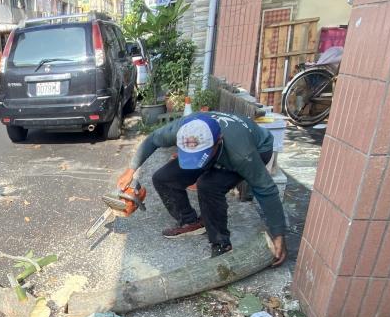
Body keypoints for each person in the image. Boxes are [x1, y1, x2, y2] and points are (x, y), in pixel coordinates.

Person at [116, 111, 287, 265]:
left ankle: (222, 244)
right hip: (217, 148)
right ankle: (191, 221)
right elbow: (153, 139)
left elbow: (266, 188)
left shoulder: (242, 154)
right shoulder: (181, 129)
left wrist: (279, 235)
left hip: (259, 148)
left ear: (218, 142)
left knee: (209, 185)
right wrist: (131, 170)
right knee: (163, 178)